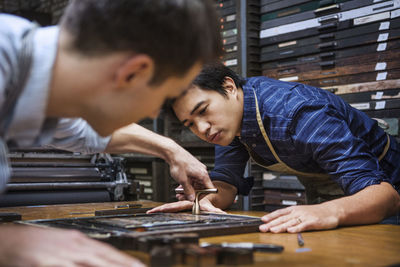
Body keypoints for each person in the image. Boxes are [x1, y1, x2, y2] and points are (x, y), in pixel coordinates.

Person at [0, 0, 221, 266]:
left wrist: (172, 151)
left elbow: (83, 131)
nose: (153, 114)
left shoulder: (28, 73)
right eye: (165, 97)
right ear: (133, 73)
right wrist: (11, 243)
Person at [148, 62, 400, 233]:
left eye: (203, 111)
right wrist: (204, 199)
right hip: (330, 199)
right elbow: (227, 183)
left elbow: (384, 197)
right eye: (190, 124)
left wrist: (329, 211)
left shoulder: (299, 113)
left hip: (385, 187)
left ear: (229, 87)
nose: (202, 128)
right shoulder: (229, 125)